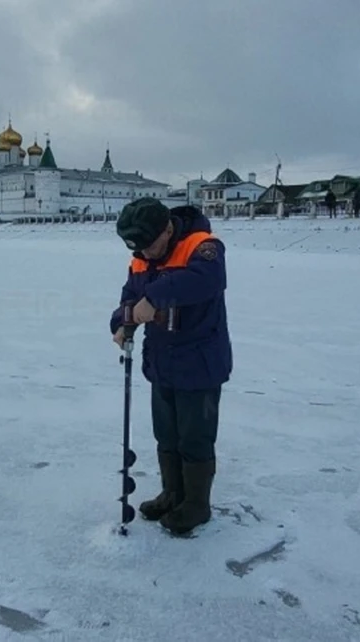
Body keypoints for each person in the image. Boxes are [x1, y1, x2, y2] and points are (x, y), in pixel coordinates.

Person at [109, 197, 232, 536]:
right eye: (137, 248)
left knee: (194, 437)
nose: (144, 254)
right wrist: (123, 322)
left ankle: (196, 503)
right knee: (167, 435)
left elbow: (206, 281)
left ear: (167, 229)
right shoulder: (140, 258)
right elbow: (128, 298)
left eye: (149, 246)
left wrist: (154, 298)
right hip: (162, 363)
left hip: (200, 364)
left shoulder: (203, 247)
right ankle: (172, 493)